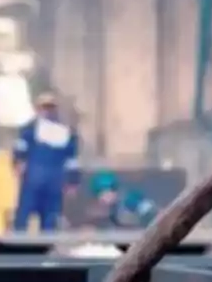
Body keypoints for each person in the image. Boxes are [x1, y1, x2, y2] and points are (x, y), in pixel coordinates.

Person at [11, 92, 80, 232]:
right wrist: (18, 163)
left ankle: (45, 248)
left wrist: (72, 181)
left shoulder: (67, 132)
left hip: (54, 180)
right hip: (33, 178)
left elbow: (71, 160)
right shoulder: (29, 129)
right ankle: (17, 247)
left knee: (50, 217)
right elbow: (20, 148)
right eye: (44, 107)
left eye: (50, 107)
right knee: (24, 214)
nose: (47, 111)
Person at [84, 172, 158, 229]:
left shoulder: (130, 200)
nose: (105, 198)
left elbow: (153, 213)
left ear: (115, 191)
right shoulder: (108, 209)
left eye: (108, 192)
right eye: (101, 195)